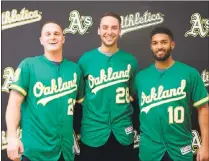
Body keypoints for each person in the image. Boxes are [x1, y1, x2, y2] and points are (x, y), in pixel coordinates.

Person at [6, 21, 84, 161]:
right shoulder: (28, 65)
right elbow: (13, 104)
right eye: (47, 34)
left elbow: (84, 105)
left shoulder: (74, 70)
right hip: (35, 151)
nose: (52, 37)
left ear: (63, 39)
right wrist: (12, 137)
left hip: (64, 151)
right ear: (41, 40)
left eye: (56, 34)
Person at [135, 27, 209, 161]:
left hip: (180, 148)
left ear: (172, 44)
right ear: (151, 46)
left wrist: (205, 145)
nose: (159, 47)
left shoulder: (189, 73)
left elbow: (203, 109)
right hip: (150, 150)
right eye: (155, 43)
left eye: (164, 42)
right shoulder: (141, 77)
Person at [77, 12, 139, 161]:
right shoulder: (86, 60)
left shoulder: (130, 60)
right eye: (105, 27)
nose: (109, 32)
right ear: (99, 30)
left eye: (114, 28)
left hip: (122, 132)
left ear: (119, 31)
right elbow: (80, 97)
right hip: (93, 133)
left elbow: (132, 95)